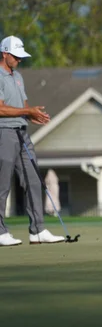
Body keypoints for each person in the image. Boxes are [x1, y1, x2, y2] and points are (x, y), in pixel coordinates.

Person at [0, 35, 65, 246]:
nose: (19, 60)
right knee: (2, 184)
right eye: (16, 56)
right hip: (4, 134)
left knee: (33, 179)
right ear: (5, 54)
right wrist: (26, 111)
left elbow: (23, 104)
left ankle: (37, 230)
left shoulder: (18, 77)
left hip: (22, 133)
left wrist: (32, 115)